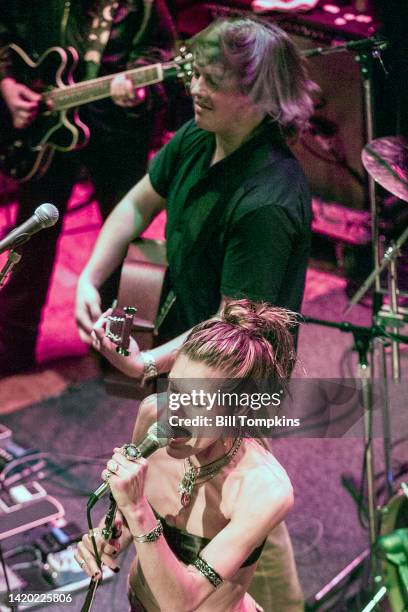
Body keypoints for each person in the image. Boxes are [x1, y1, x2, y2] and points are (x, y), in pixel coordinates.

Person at [75, 299, 298, 612]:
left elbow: (181, 602)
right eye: (175, 391)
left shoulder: (265, 489)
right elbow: (129, 519)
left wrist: (137, 510)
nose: (174, 415)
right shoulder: (154, 414)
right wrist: (108, 538)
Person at [0, 0, 176, 376]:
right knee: (31, 240)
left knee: (125, 242)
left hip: (116, 131)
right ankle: (12, 347)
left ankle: (118, 355)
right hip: (47, 129)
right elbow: (7, 32)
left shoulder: (144, 5)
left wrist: (138, 87)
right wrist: (8, 85)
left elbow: (160, 55)